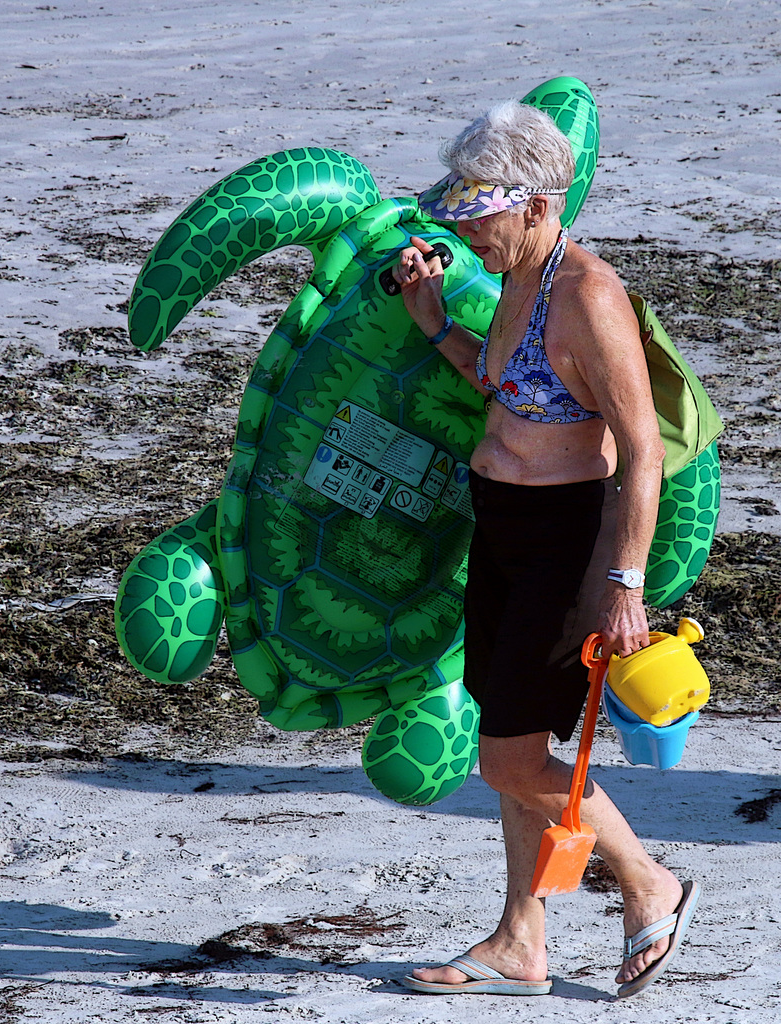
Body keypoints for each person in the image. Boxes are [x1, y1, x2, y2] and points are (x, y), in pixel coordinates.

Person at [393, 100, 700, 999]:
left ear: (533, 203)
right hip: (499, 531)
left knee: (510, 760)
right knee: (513, 742)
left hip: (562, 546)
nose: (466, 230)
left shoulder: (588, 295)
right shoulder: (515, 277)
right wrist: (435, 321)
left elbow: (639, 448)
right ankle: (519, 939)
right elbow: (509, 392)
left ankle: (649, 883)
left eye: (477, 212)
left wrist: (622, 583)